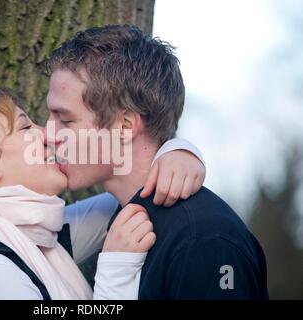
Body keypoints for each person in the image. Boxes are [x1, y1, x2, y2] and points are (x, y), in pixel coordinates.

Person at [0, 87, 205, 299]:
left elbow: (135, 189)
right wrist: (115, 271)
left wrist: (177, 152)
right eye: (26, 126)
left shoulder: (38, 236)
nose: (48, 134)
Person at [44, 24, 269, 299]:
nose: (48, 135)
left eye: (65, 120)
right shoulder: (118, 216)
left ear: (125, 126)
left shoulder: (204, 240)